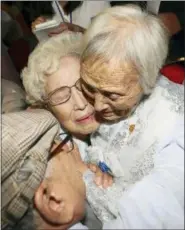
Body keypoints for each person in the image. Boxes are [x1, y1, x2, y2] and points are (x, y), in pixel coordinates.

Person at [78, 4, 184, 229]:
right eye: (89, 87)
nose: (96, 105)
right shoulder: (101, 89)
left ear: (148, 80)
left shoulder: (175, 129)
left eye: (112, 95)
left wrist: (83, 176)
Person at [21, 31, 113, 229]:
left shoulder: (125, 117)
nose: (80, 104)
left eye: (83, 86)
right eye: (61, 96)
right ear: (46, 106)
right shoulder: (49, 158)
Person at [31, 1, 110, 37]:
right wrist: (39, 31)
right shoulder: (44, 7)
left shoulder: (97, 3)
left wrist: (77, 29)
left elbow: (109, 38)